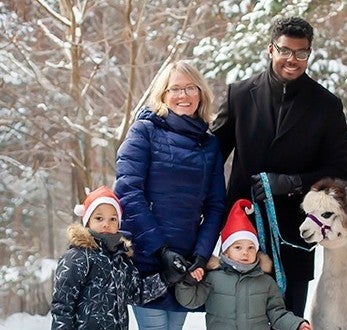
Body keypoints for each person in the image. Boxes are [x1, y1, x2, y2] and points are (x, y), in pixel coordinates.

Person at [211, 16, 347, 317]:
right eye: (285, 50)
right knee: (239, 318)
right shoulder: (239, 95)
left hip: (296, 232)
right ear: (271, 49)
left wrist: (292, 182)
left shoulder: (327, 105)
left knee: (288, 317)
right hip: (243, 230)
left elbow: (341, 169)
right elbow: (210, 156)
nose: (293, 59)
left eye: (302, 53)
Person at [114, 60, 226, 329]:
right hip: (148, 257)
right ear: (162, 95)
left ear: (201, 94)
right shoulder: (145, 131)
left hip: (185, 261)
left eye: (191, 88)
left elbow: (215, 205)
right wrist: (160, 250)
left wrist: (201, 253)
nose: (183, 95)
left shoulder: (209, 143)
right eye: (175, 88)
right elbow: (128, 192)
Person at [175, 199, 313, 330]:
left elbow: (277, 313)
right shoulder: (212, 278)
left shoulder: (266, 282)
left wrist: (297, 324)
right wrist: (188, 282)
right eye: (238, 247)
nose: (245, 253)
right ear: (226, 251)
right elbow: (190, 301)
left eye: (251, 247)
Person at [51, 186, 168, 330]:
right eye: (99, 218)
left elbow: (136, 293)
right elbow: (62, 305)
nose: (106, 224)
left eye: (113, 219)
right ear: (88, 221)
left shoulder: (121, 259)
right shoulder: (78, 257)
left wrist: (167, 277)